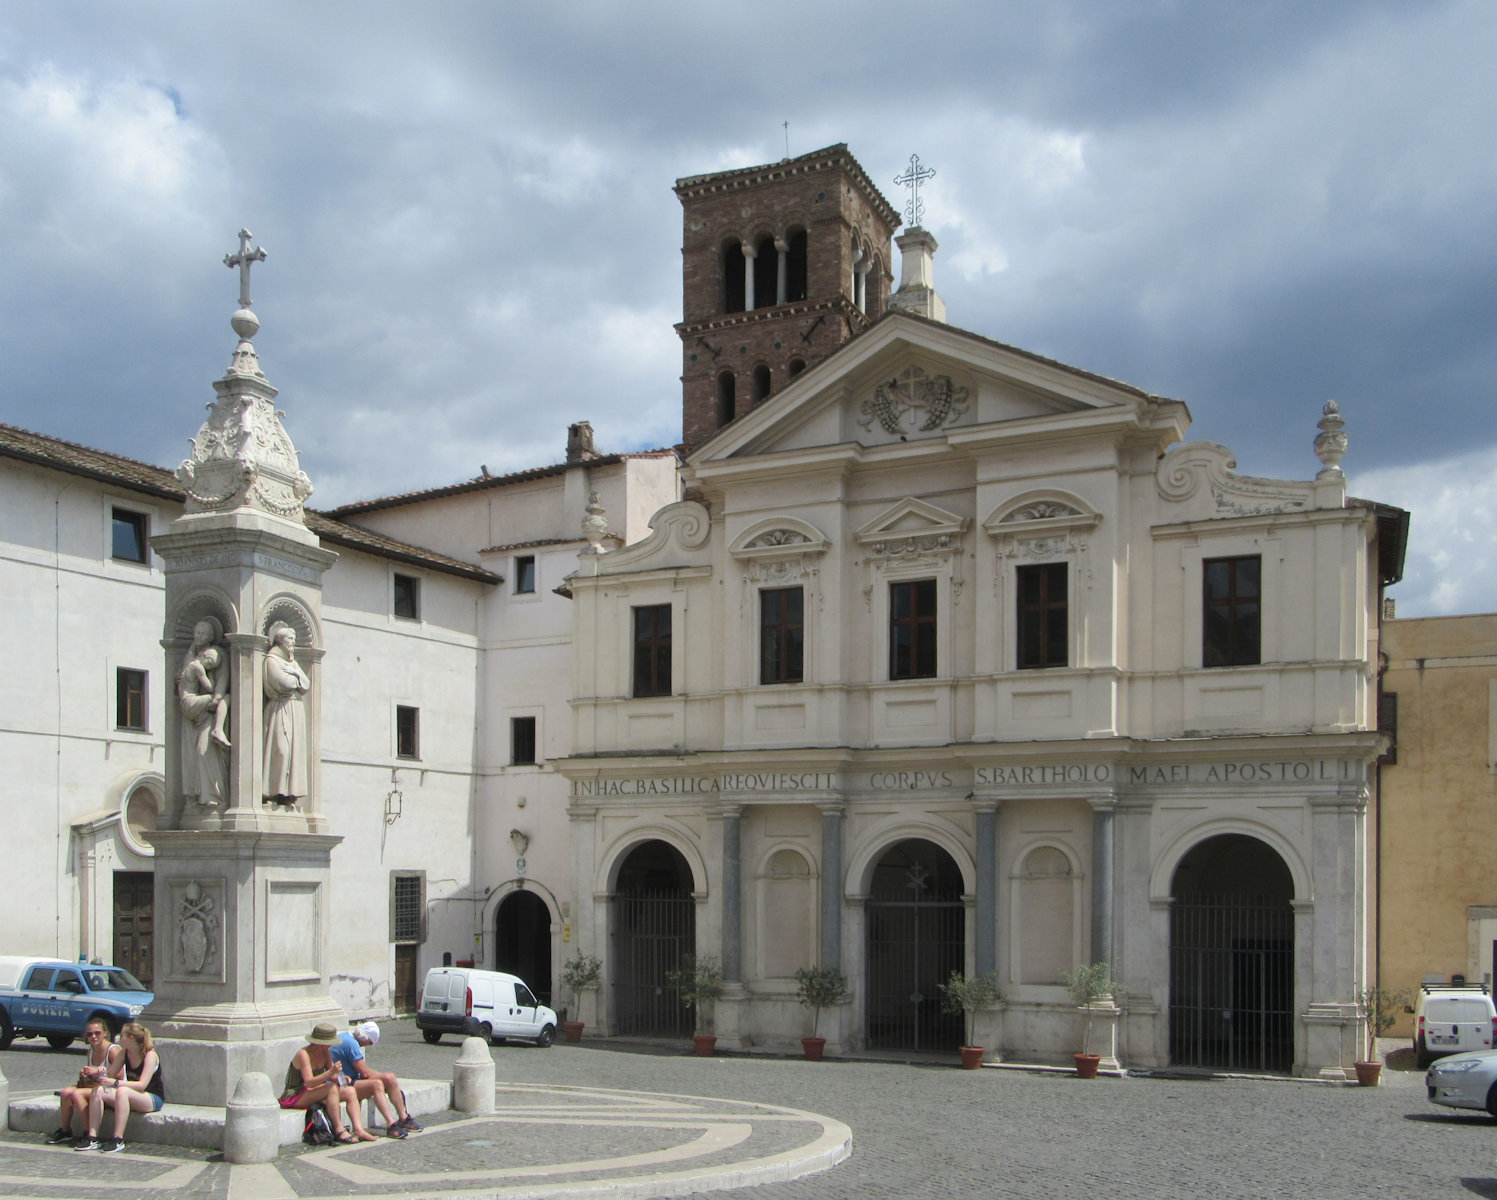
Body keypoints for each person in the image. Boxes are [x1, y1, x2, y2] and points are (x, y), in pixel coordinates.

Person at [278, 1022, 377, 1144]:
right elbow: (309, 1082)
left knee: (350, 1091)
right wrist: (330, 1072)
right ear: (322, 1043)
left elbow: (334, 1076)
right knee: (331, 1088)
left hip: (315, 1091)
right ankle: (339, 1130)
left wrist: (342, 1078)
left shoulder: (326, 1053)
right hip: (296, 1093)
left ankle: (359, 1129)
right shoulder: (303, 1054)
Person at [74, 1022, 162, 1153]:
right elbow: (110, 1075)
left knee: (122, 1091)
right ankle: (92, 1137)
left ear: (131, 1038)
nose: (119, 1039)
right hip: (130, 1094)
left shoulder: (150, 1055)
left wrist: (115, 1083)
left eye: (122, 1036)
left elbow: (142, 1085)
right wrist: (98, 1072)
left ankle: (118, 1139)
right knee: (98, 1090)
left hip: (151, 1097)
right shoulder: (124, 1053)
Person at [329, 1021, 422, 1136]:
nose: (367, 1045)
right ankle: (391, 1123)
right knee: (378, 1084)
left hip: (349, 1079)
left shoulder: (346, 1037)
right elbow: (365, 1073)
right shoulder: (351, 1044)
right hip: (343, 1082)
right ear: (366, 1039)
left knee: (390, 1078)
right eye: (370, 1043)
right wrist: (380, 1076)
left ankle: (403, 1117)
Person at [45, 1019, 122, 1145]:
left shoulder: (113, 1050)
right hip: (95, 1086)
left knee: (77, 1094)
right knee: (66, 1093)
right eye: (90, 1034)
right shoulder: (91, 1051)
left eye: (97, 1033)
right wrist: (85, 1073)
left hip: (110, 1089)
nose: (93, 1036)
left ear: (105, 1033)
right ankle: (65, 1130)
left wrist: (97, 1071)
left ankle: (88, 1134)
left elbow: (119, 1075)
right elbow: (92, 1075)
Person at [178, 617, 229, 806]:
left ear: (211, 636)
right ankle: (219, 728)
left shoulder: (211, 655)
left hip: (199, 710)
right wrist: (215, 696)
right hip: (195, 706)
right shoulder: (195, 662)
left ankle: (208, 795)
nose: (198, 636)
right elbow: (210, 687)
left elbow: (223, 678)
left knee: (202, 751)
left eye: (202, 633)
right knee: (196, 752)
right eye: (196, 632)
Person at [262, 622, 310, 806]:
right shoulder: (272, 660)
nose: (293, 642)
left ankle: (289, 793)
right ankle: (274, 791)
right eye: (290, 638)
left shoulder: (292, 662)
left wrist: (297, 674)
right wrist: (297, 677)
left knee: (294, 753)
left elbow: (307, 684)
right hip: (280, 708)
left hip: (295, 709)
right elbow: (284, 683)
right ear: (280, 640)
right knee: (281, 749)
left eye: (294, 639)